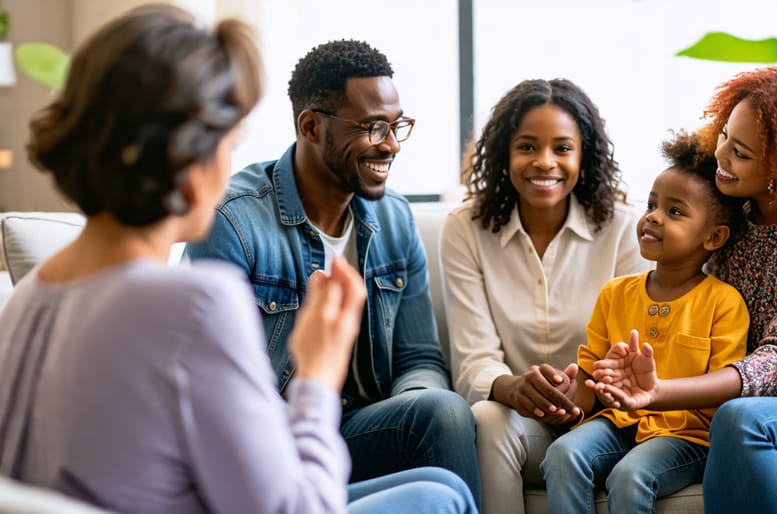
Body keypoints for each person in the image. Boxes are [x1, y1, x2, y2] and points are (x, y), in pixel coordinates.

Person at [0, 6, 477, 514]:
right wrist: (317, 372)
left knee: (439, 489)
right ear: (188, 156)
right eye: (228, 142)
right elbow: (295, 507)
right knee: (440, 499)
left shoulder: (27, 300)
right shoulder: (195, 302)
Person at [183, 39, 481, 505]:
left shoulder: (395, 221)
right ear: (311, 126)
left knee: (442, 411)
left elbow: (418, 359)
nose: (392, 144)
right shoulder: (232, 222)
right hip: (273, 441)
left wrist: (413, 404)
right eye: (374, 127)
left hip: (359, 428)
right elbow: (215, 390)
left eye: (397, 125)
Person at [591, 66, 777, 513]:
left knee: (737, 420)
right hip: (750, 423)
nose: (721, 157)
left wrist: (661, 392)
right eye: (723, 138)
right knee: (731, 430)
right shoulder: (730, 221)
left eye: (740, 153)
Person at [440, 77, 651, 514]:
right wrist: (514, 388)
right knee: (486, 418)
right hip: (521, 421)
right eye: (528, 147)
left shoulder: (624, 229)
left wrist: (587, 392)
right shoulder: (465, 229)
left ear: (584, 157)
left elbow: (635, 350)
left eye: (562, 148)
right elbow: (474, 358)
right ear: (504, 155)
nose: (544, 162)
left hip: (606, 424)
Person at [540, 131, 749, 514]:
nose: (652, 216)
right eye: (652, 204)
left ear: (714, 237)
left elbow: (727, 392)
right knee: (562, 454)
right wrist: (568, 393)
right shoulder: (615, 294)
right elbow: (590, 385)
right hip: (618, 421)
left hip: (689, 436)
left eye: (675, 211)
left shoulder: (724, 302)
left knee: (630, 475)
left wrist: (659, 390)